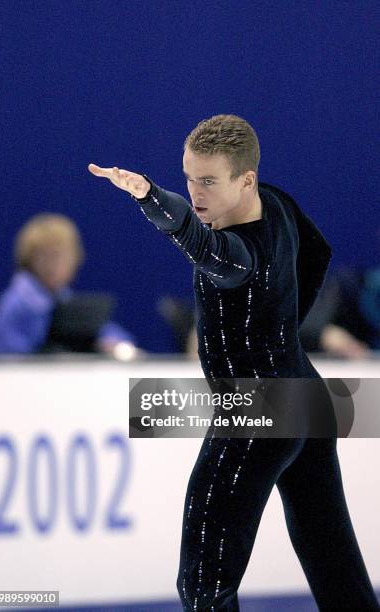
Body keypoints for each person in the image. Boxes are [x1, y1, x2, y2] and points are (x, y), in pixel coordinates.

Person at [88, 114, 379, 611]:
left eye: (208, 182)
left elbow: (202, 245)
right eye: (188, 178)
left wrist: (149, 196)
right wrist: (282, 328)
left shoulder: (240, 254)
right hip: (304, 395)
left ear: (245, 179)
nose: (196, 193)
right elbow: (317, 253)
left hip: (256, 411)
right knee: (335, 567)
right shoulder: (279, 202)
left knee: (203, 583)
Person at [0, 213, 138, 357]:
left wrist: (115, 344)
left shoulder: (64, 299)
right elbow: (6, 356)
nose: (53, 266)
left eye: (60, 257)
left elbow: (104, 331)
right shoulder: (15, 303)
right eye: (44, 257)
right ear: (28, 258)